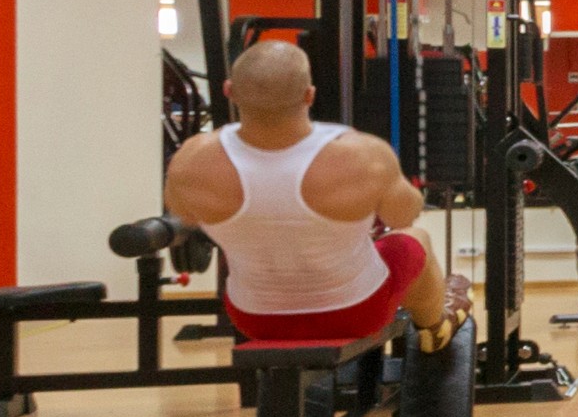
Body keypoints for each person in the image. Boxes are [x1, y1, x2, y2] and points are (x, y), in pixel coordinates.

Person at [162, 39, 468, 352]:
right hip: (356, 312)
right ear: (310, 95)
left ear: (229, 90)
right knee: (414, 238)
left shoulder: (192, 160)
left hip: (255, 319)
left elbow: (183, 214)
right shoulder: (362, 154)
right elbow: (403, 215)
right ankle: (435, 325)